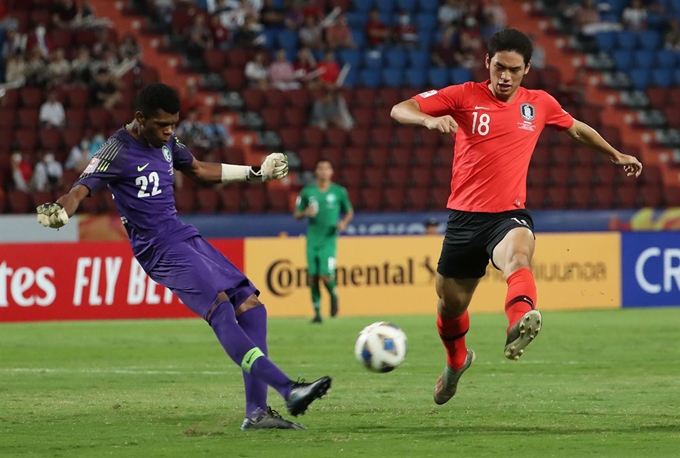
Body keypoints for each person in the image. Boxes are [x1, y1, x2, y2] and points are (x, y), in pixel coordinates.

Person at [36, 83, 331, 430]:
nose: (170, 131)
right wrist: (61, 209)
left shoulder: (166, 142)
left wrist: (256, 173)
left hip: (182, 235)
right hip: (158, 249)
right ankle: (289, 389)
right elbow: (80, 189)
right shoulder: (115, 151)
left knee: (251, 304)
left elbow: (199, 169)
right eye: (163, 125)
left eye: (174, 124)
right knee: (221, 308)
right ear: (140, 119)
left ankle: (257, 412)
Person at [390, 29, 642, 405]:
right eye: (498, 68)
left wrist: (614, 154)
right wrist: (428, 121)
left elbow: (576, 129)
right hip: (464, 218)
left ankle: (518, 323)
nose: (504, 77)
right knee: (450, 305)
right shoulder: (462, 95)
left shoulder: (538, 103)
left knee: (519, 256)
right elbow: (400, 108)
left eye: (513, 70)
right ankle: (457, 362)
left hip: (508, 214)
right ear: (487, 63)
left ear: (526, 69)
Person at [294, 159, 354, 323]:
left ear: (331, 172)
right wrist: (305, 212)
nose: (323, 171)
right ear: (316, 172)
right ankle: (317, 313)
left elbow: (349, 212)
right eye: (320, 168)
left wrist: (343, 223)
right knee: (312, 277)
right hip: (312, 240)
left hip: (329, 240)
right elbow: (296, 214)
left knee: (326, 276)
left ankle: (333, 295)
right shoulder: (307, 192)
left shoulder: (339, 192)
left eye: (327, 168)